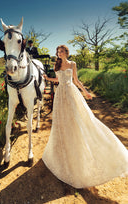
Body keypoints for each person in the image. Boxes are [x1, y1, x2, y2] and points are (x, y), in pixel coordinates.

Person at [42, 45, 128, 189]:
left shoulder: (72, 64)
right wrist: (48, 78)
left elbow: (76, 80)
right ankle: (62, 149)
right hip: (60, 96)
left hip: (71, 93)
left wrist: (86, 92)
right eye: (58, 51)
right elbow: (58, 80)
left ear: (66, 52)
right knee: (61, 122)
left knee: (79, 119)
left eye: (62, 51)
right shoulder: (56, 64)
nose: (59, 53)